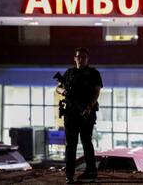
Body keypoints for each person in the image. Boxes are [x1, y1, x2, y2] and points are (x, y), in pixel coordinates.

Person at [56, 47, 103, 184]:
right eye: (78, 57)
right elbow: (58, 87)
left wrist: (89, 107)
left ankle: (91, 171)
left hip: (86, 113)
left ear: (87, 59)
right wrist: (63, 91)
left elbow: (96, 91)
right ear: (75, 58)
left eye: (83, 57)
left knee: (86, 142)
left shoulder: (93, 73)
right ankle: (69, 175)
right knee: (71, 145)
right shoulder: (69, 73)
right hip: (71, 113)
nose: (81, 59)